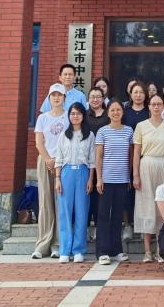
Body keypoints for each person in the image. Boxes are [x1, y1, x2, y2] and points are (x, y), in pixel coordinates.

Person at [133, 94, 164, 263]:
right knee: (146, 206)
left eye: (159, 104)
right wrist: (135, 175)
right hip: (146, 165)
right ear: (149, 106)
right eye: (153, 104)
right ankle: (147, 251)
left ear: (163, 106)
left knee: (162, 206)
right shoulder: (141, 126)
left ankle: (160, 249)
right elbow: (136, 152)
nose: (156, 107)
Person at [53, 102, 96, 263]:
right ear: (69, 116)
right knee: (64, 212)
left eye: (78, 113)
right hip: (66, 174)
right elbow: (59, 159)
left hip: (83, 173)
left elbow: (92, 160)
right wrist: (57, 179)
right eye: (72, 113)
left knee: (81, 213)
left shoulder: (89, 135)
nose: (75, 116)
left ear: (83, 116)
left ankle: (78, 250)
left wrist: (90, 179)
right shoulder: (63, 136)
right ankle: (65, 250)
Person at [94, 101, 133, 264]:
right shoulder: (102, 131)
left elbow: (130, 156)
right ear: (108, 113)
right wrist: (99, 178)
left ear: (122, 112)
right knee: (103, 216)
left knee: (117, 216)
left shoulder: (129, 131)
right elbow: (98, 156)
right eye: (112, 110)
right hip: (106, 180)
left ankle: (116, 250)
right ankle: (102, 252)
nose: (116, 112)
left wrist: (129, 177)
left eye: (118, 110)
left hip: (122, 180)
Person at [32, 84, 68, 259]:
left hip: (64, 162)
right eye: (53, 95)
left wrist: (58, 161)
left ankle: (57, 244)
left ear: (64, 98)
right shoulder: (42, 118)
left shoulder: (69, 117)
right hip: (45, 161)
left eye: (59, 95)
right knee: (45, 202)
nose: (56, 98)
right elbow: (39, 142)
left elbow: (70, 141)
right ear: (49, 98)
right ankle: (43, 244)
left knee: (60, 202)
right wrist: (48, 159)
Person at [121, 81, 150, 241]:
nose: (138, 95)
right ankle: (128, 225)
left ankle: (145, 226)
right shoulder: (124, 113)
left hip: (145, 157)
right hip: (126, 156)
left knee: (145, 191)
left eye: (141, 92)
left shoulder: (149, 112)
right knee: (128, 192)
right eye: (135, 92)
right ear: (130, 94)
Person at [85, 88, 109, 233]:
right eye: (92, 97)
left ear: (103, 98)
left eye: (98, 97)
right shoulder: (84, 115)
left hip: (105, 160)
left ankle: (100, 228)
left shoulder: (108, 115)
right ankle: (87, 226)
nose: (95, 99)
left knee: (101, 194)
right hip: (87, 160)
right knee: (88, 193)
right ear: (88, 99)